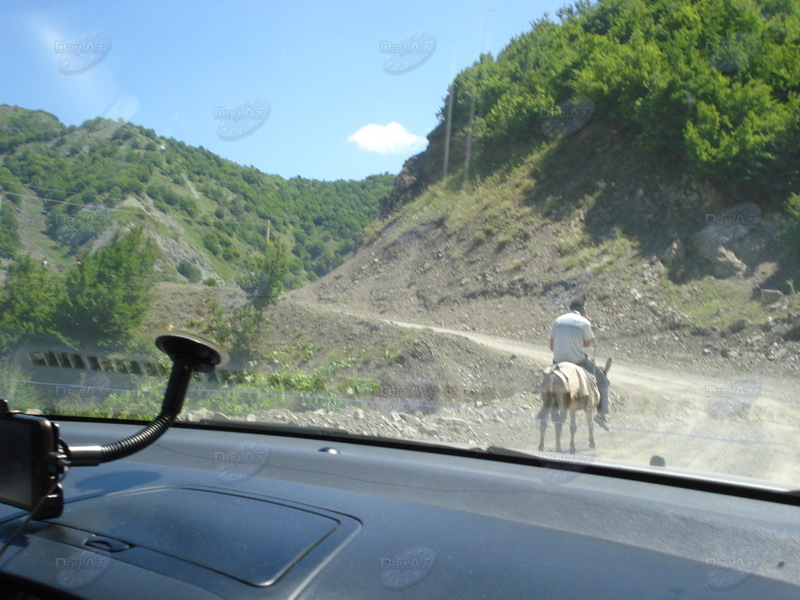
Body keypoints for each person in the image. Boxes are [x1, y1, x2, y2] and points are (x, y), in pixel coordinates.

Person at [549, 297, 610, 430]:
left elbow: (552, 347)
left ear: (569, 309)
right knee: (604, 382)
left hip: (558, 361)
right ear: (583, 310)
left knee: (551, 379)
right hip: (578, 361)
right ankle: (602, 414)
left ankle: (554, 408)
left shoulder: (557, 321)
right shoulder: (584, 322)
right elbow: (587, 343)